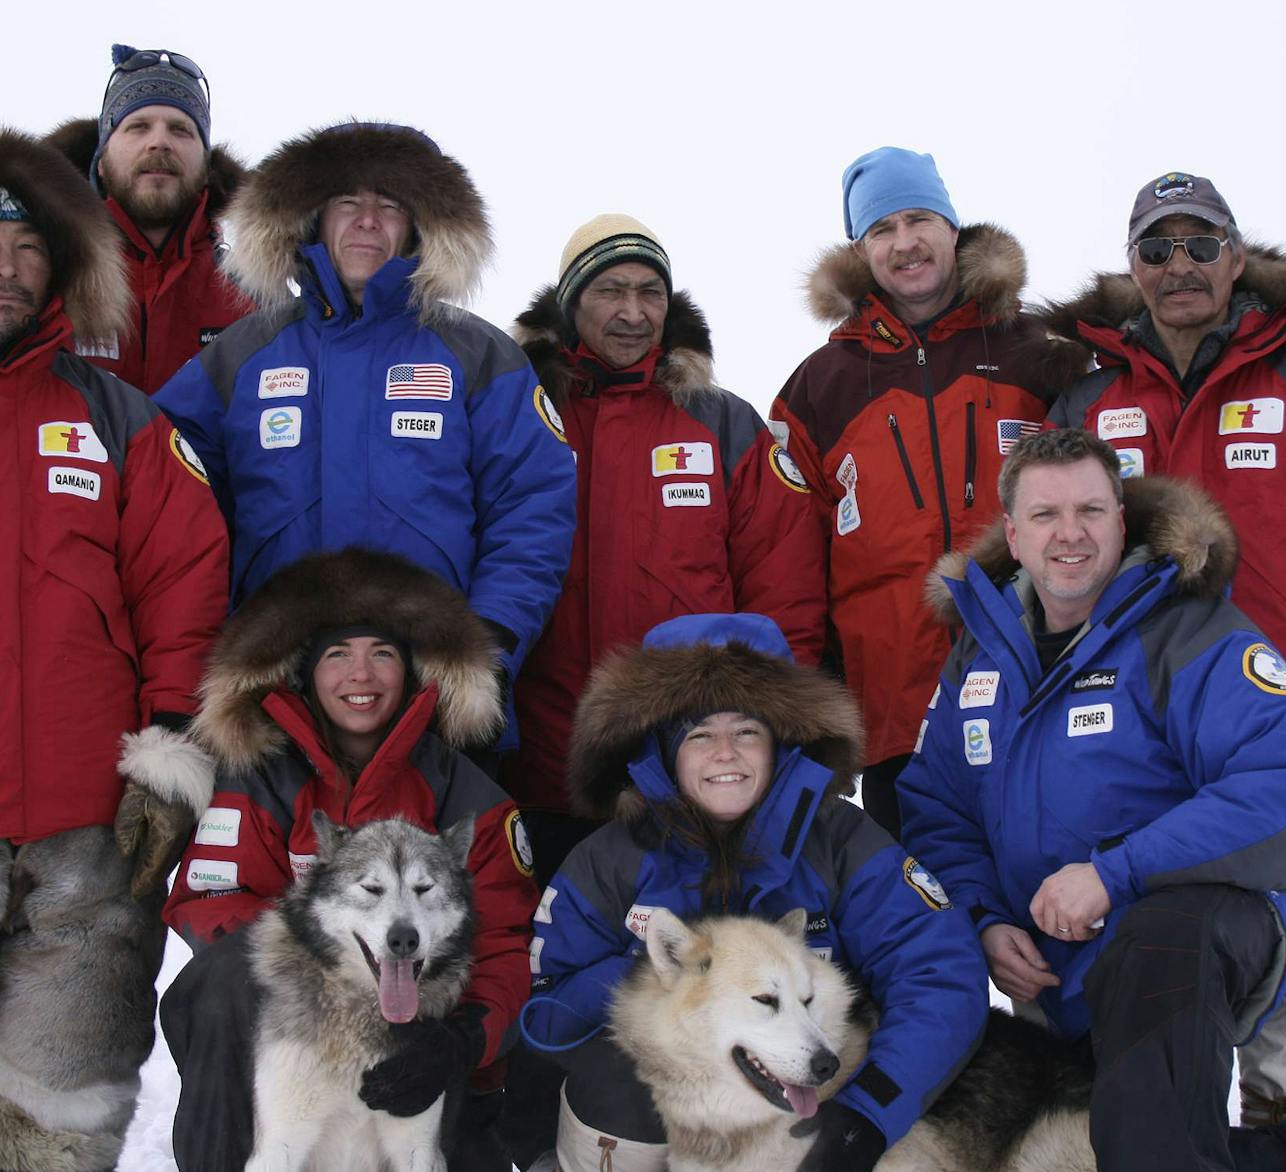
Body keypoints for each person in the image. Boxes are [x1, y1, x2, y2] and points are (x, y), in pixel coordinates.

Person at [898, 427, 1286, 1172]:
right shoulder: (980, 654)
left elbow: (1283, 791)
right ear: (1013, 535)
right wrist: (983, 917)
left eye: (1091, 510)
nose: (1070, 534)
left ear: (1122, 519)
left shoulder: (1190, 631)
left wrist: (1114, 874)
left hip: (1209, 924)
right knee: (1131, 1146)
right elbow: (937, 807)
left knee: (1157, 952)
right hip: (1062, 957)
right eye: (1045, 516)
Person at [1041, 170, 1286, 1124]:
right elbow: (1039, 548)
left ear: (1237, 258)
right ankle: (1137, 1131)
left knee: (1281, 924)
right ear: (1132, 267)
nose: (1181, 267)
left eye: (1201, 245)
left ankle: (1281, 1119)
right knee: (1145, 926)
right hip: (1122, 727)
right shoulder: (1084, 401)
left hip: (1274, 719)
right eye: (1157, 249)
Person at [154, 121, 576, 751]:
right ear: (311, 219)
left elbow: (533, 507)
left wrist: (488, 644)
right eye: (347, 203)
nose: (368, 223)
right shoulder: (239, 356)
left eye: (391, 206)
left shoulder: (478, 354)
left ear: (421, 227)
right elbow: (166, 509)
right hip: (277, 686)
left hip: (433, 687)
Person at [523, 612, 989, 1172]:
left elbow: (939, 976)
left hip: (807, 1101)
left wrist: (866, 1116)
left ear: (782, 745)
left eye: (746, 731)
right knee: (611, 1081)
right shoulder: (608, 859)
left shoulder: (842, 842)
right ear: (663, 753)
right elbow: (546, 1015)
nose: (726, 752)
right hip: (655, 1108)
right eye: (699, 735)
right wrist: (668, 979)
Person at [161, 547, 541, 1172]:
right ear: (305, 673)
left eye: (382, 654)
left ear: (414, 672)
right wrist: (315, 966)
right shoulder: (259, 779)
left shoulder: (468, 797)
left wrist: (464, 1039)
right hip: (285, 1031)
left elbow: (505, 946)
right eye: (338, 655)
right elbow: (209, 899)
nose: (360, 676)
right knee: (222, 979)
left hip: (424, 1039)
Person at [0, 129, 229, 1166]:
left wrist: (174, 748)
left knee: (63, 1111)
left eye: (28, 246)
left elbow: (184, 586)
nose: (7, 268)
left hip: (89, 834)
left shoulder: (121, 421)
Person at [508, 214, 826, 882]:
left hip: (690, 766)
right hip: (544, 760)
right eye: (610, 291)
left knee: (686, 969)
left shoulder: (723, 424)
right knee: (556, 960)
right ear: (570, 304)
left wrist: (762, 730)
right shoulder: (525, 413)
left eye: (650, 292)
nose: (632, 312)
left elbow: (784, 592)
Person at [771, 146, 1071, 838]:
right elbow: (790, 556)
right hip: (896, 714)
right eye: (882, 229)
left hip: (1039, 688)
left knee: (1050, 907)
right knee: (922, 923)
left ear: (952, 227)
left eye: (919, 219)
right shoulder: (820, 386)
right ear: (861, 249)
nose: (904, 243)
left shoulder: (1038, 349)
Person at [44, 44, 252, 393]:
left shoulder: (253, 296)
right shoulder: (44, 277)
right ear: (101, 163)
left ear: (206, 169)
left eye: (181, 130)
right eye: (138, 127)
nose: (159, 142)